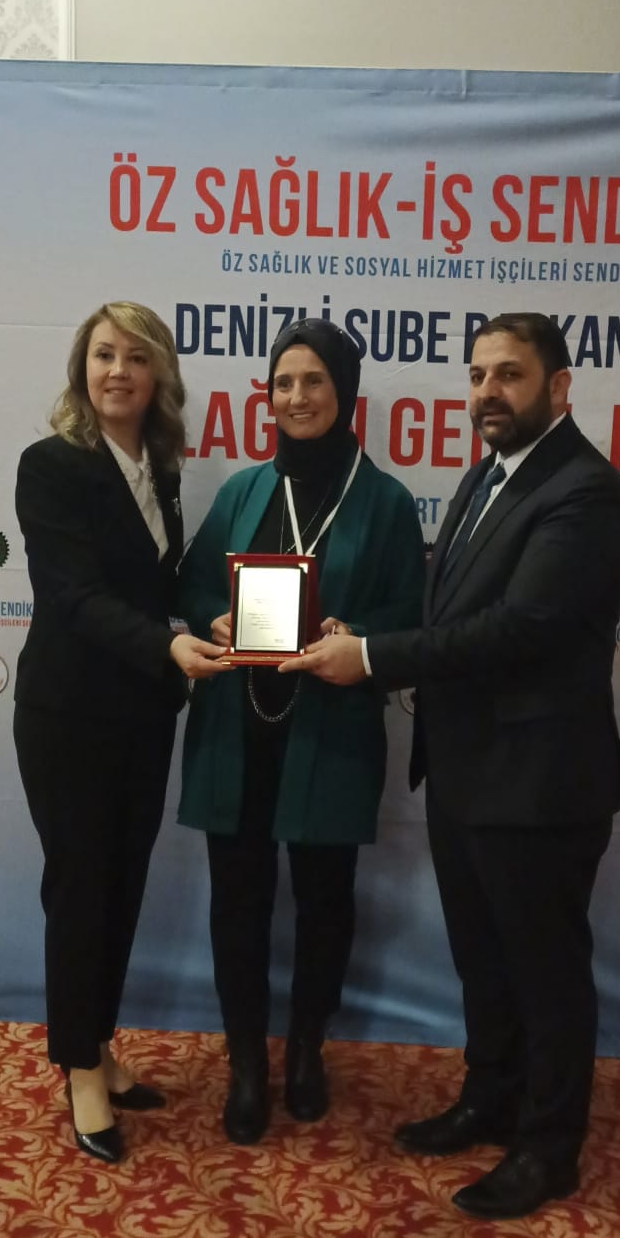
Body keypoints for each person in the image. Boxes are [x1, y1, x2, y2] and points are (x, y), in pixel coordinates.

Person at [298, 311, 620, 1219]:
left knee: (546, 973)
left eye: (510, 375)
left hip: (539, 783)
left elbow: (521, 630)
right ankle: (491, 1097)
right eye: (479, 374)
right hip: (464, 773)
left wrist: (372, 659)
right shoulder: (489, 473)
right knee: (484, 962)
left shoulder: (586, 492)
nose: (488, 392)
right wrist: (367, 632)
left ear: (559, 387)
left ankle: (549, 1148)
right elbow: (451, 611)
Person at [178, 318, 425, 1145]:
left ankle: (309, 1051)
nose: (296, 397)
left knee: (325, 903)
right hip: (238, 727)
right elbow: (191, 587)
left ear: (344, 391)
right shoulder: (243, 491)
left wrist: (360, 633)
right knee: (237, 903)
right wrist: (210, 616)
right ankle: (247, 1063)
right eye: (283, 382)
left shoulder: (385, 501)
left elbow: (413, 612)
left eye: (313, 380)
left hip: (331, 728)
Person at [13, 302, 225, 1165]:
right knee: (80, 889)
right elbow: (75, 596)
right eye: (104, 355)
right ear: (82, 367)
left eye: (136, 358)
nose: (118, 372)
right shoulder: (51, 465)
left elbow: (155, 586)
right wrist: (167, 644)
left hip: (142, 710)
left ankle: (98, 1043)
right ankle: (79, 1068)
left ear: (158, 376)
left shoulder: (160, 467)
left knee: (122, 884)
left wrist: (204, 625)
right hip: (69, 715)